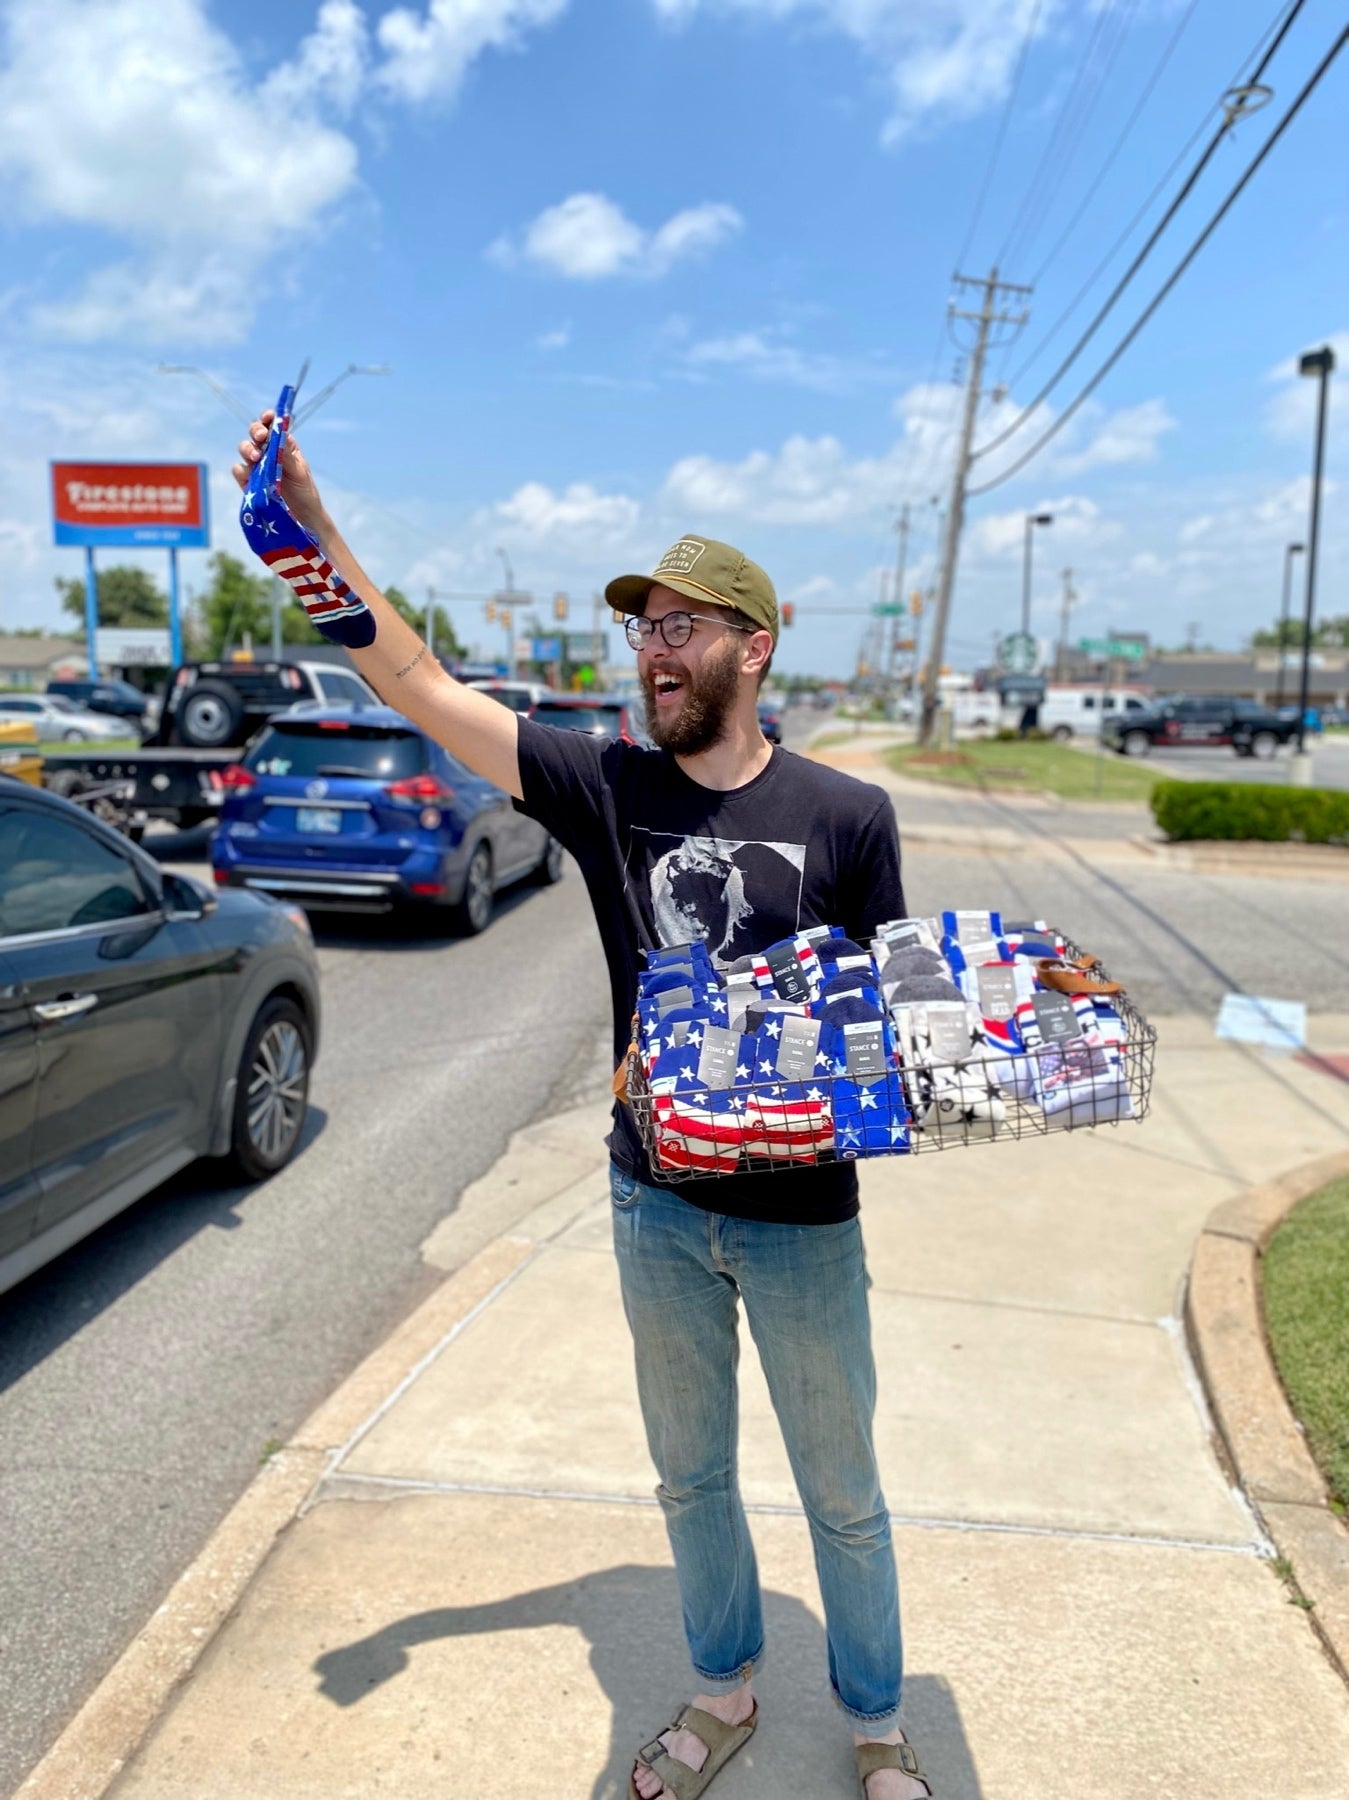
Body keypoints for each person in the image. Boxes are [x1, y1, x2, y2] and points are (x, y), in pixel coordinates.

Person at [233, 413, 931, 1800]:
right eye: (642, 629)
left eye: (685, 625)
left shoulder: (847, 814)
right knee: (689, 1477)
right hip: (653, 1206)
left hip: (799, 1218)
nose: (655, 650)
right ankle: (723, 1689)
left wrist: (784, 1064)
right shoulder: (602, 787)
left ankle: (874, 1724)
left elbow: (886, 1034)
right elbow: (418, 678)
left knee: (841, 1494)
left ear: (755, 644)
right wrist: (310, 531)